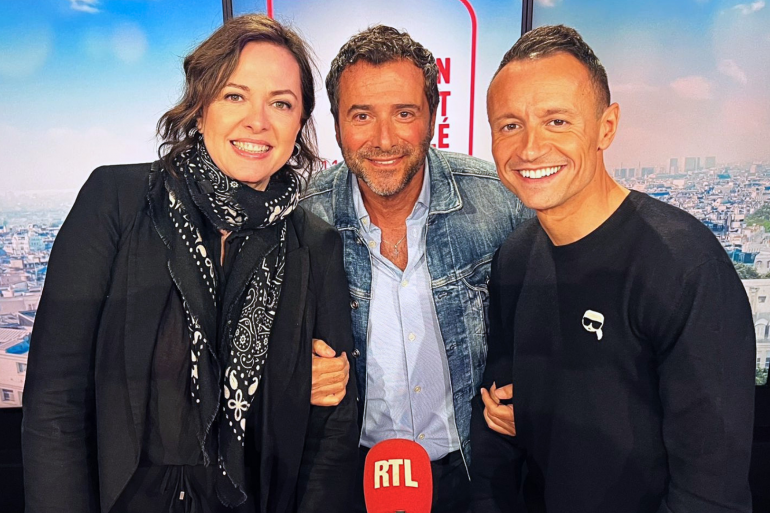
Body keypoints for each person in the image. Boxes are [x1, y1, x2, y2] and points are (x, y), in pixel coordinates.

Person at [22, 14, 358, 513]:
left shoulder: (314, 242)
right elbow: (55, 399)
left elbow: (332, 427)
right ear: (200, 109)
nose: (258, 121)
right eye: (235, 95)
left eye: (281, 103)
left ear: (300, 123)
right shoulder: (116, 201)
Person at [472, 24, 756, 512]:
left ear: (607, 127)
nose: (530, 148)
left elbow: (710, 492)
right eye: (510, 125)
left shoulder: (684, 267)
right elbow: (500, 416)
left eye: (557, 121)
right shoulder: (515, 257)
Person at [300, 25, 530, 513]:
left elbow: (557, 315)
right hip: (353, 479)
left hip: (475, 472)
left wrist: (537, 390)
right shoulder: (303, 219)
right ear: (337, 126)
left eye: (404, 113)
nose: (384, 139)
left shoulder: (500, 200)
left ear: (432, 118)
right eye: (362, 115)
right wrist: (294, 371)